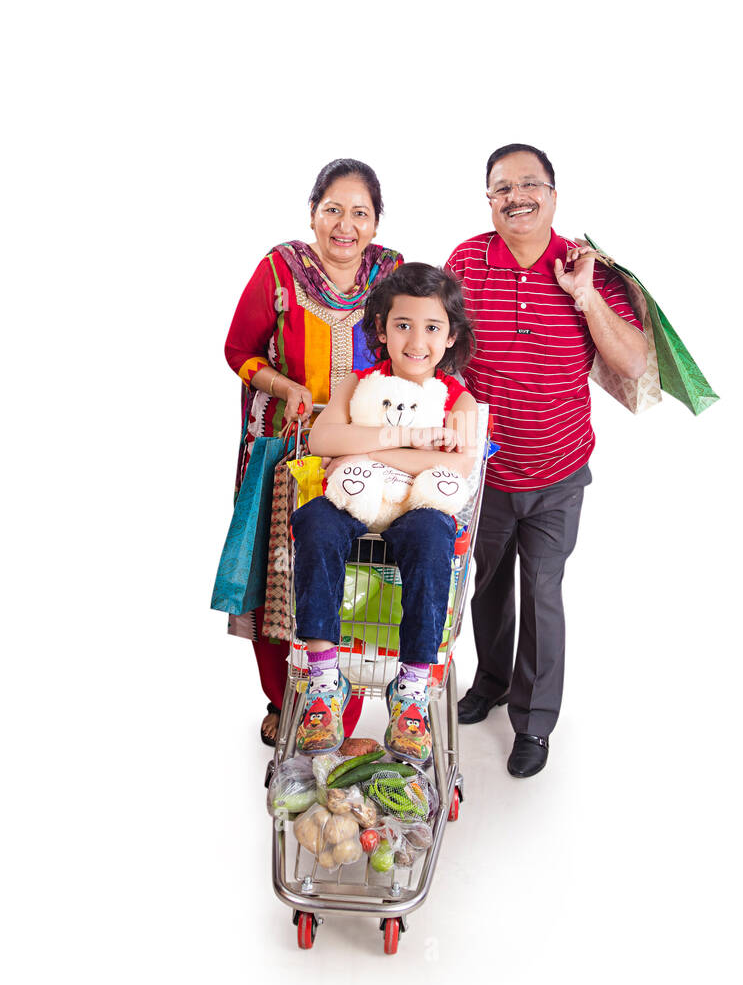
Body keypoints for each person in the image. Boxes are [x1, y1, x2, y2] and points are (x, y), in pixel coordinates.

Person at [445, 144, 648, 779]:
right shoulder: (466, 262)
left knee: (542, 591)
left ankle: (534, 723)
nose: (517, 197)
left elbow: (636, 364)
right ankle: (492, 681)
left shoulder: (589, 268)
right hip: (485, 473)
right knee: (485, 586)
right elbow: (439, 349)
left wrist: (584, 295)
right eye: (502, 188)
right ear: (489, 200)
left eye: (530, 184)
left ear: (554, 196)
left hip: (559, 471)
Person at [223, 159, 402, 746]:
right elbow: (238, 350)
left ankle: (337, 711)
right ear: (312, 213)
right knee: (279, 576)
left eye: (360, 213)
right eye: (333, 210)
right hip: (282, 454)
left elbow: (416, 347)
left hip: (362, 460)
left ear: (376, 224)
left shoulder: (393, 275)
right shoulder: (280, 269)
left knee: (353, 575)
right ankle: (282, 699)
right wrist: (285, 387)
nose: (345, 225)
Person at [290, 263, 478, 763]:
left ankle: (412, 689)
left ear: (451, 335)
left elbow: (457, 464)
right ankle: (325, 680)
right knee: (314, 521)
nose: (417, 340)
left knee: (432, 535)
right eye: (403, 325)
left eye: (432, 327)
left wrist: (365, 448)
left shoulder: (459, 400)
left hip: (414, 508)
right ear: (381, 329)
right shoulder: (358, 384)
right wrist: (411, 440)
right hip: (356, 500)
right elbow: (321, 439)